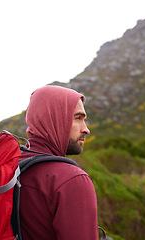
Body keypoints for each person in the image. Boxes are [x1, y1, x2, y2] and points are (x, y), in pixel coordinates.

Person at [18, 85, 100, 239]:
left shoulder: (9, 166)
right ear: (54, 118)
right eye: (78, 118)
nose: (86, 129)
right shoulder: (71, 179)